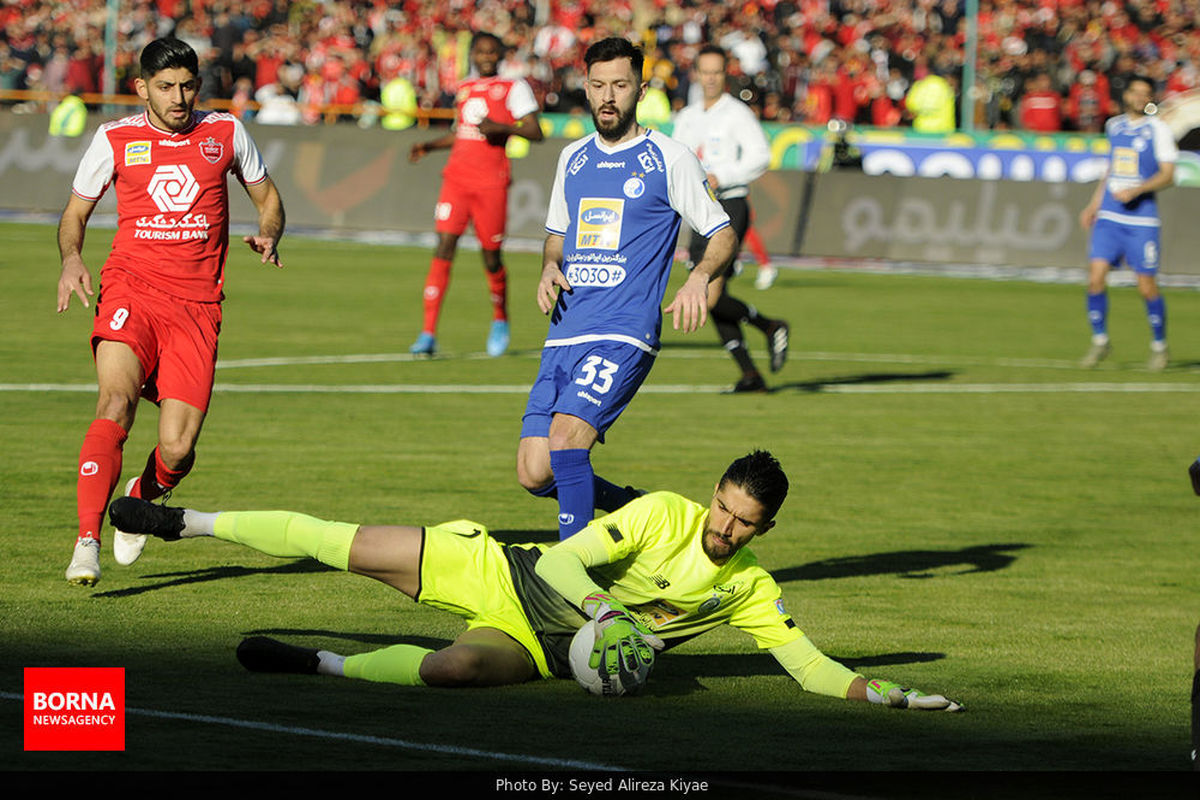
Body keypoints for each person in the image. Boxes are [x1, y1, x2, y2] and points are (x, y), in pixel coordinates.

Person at [107, 449, 962, 711]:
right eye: (724, 507)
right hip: (507, 574)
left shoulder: (750, 590)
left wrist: (886, 694)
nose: (725, 526)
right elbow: (559, 559)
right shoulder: (663, 511)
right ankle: (184, 521)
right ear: (713, 494)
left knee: (451, 672)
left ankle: (318, 666)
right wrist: (603, 610)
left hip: (541, 648)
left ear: (764, 530)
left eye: (745, 523)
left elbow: (809, 667)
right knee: (348, 542)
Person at [56, 38, 285, 587]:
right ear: (142, 89)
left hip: (197, 306)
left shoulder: (226, 132)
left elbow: (269, 199)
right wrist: (70, 260)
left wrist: (269, 234)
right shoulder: (114, 138)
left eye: (187, 85)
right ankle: (86, 541)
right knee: (115, 403)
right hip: (130, 289)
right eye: (166, 87)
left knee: (179, 448)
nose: (179, 97)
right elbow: (75, 214)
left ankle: (142, 495)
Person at [514, 37, 737, 541]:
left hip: (622, 331)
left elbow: (723, 232)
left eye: (619, 84)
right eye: (598, 85)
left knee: (569, 442)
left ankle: (572, 574)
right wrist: (550, 266)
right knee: (534, 471)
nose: (608, 96)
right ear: (586, 89)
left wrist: (698, 277)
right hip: (564, 331)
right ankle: (640, 512)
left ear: (640, 87)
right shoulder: (572, 158)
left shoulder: (668, 157)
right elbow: (556, 235)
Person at [407, 33, 544, 358]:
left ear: (499, 55)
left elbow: (535, 131)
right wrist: (428, 145)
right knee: (443, 247)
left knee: (491, 256)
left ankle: (500, 319)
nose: (485, 56)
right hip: (456, 180)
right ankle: (427, 333)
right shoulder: (465, 88)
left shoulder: (513, 86)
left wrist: (502, 128)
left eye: (491, 51)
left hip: (491, 183)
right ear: (473, 55)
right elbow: (461, 132)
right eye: (480, 51)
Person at [670, 44, 790, 393]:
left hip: (729, 205)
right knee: (705, 296)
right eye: (704, 72)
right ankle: (753, 368)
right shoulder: (688, 117)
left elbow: (760, 156)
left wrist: (721, 174)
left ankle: (769, 329)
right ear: (696, 74)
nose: (710, 78)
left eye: (716, 72)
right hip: (698, 210)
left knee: (705, 294)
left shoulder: (737, 114)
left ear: (726, 75)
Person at [1078, 76, 1177, 371]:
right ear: (1127, 95)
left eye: (1145, 93)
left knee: (1146, 285)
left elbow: (1169, 174)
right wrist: (1094, 204)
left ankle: (1159, 345)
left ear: (1150, 98)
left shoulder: (1158, 130)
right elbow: (1111, 168)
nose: (1139, 97)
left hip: (1141, 219)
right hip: (1109, 215)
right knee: (1095, 278)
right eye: (1135, 91)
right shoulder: (1114, 126)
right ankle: (1100, 341)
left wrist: (1137, 190)